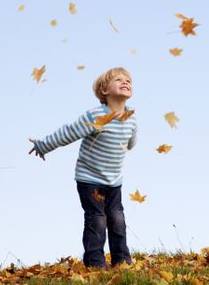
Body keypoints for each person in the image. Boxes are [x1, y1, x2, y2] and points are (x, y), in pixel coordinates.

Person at [28, 67, 137, 269]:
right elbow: (69, 132)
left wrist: (126, 142)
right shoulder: (96, 115)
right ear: (104, 90)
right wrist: (43, 145)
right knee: (98, 220)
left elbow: (131, 142)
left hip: (114, 181)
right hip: (90, 179)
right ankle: (95, 262)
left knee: (117, 219)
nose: (126, 82)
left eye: (129, 80)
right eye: (119, 79)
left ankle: (122, 261)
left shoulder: (130, 117)